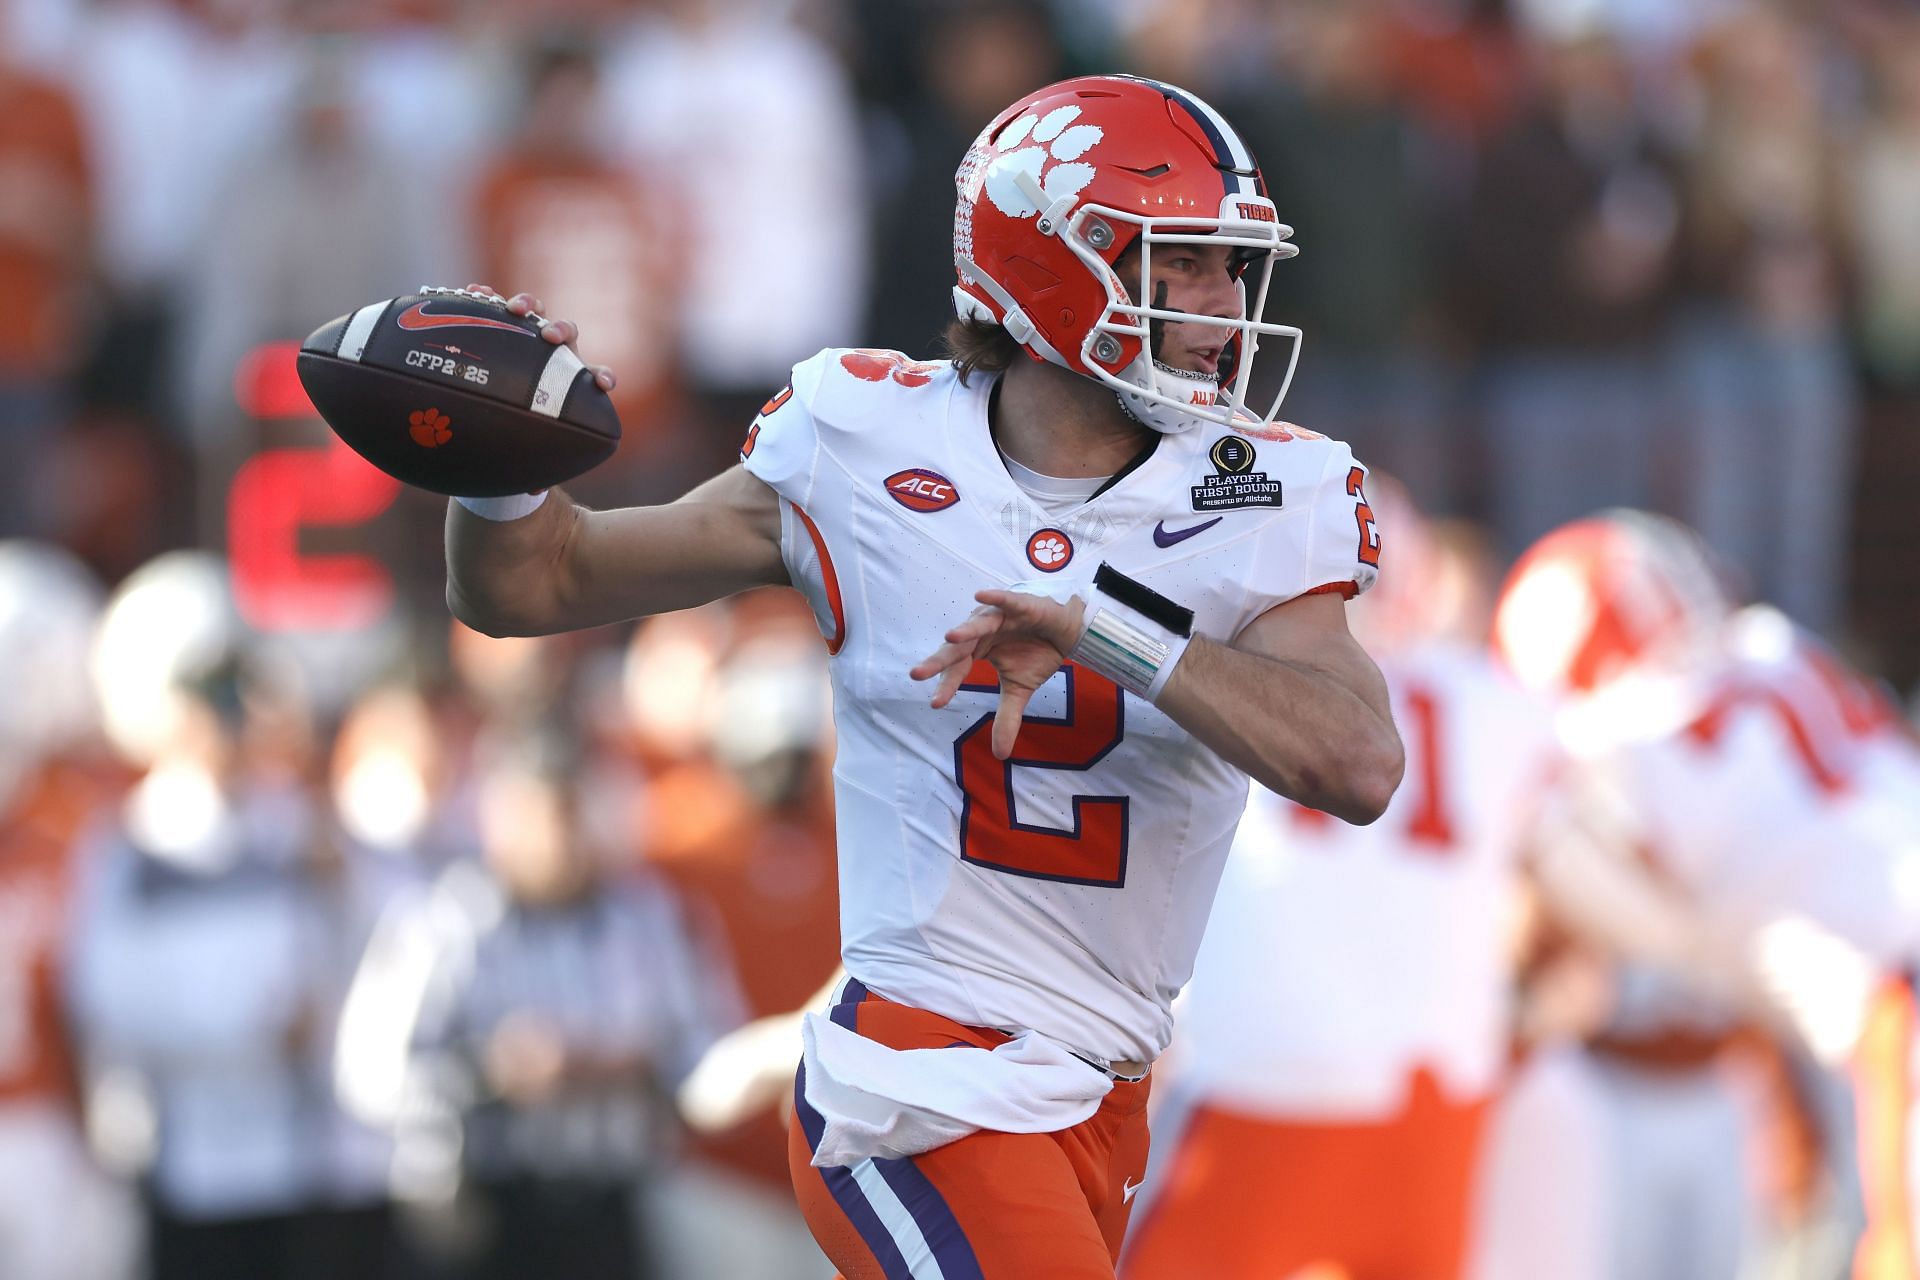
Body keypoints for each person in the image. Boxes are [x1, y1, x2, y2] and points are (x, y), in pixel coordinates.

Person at [443, 74, 1403, 1279]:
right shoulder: (864, 440)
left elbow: (1357, 764)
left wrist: (1110, 630)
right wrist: (496, 472)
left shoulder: (1264, 491)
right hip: (920, 1075)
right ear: (1063, 265)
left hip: (1097, 1089)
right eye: (1188, 262)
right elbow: (534, 585)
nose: (1225, 303)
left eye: (1231, 263)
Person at [1118, 484, 1554, 1280]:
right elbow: (1577, 878)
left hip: (1264, 1083)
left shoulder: (1210, 687)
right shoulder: (1492, 701)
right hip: (1435, 1106)